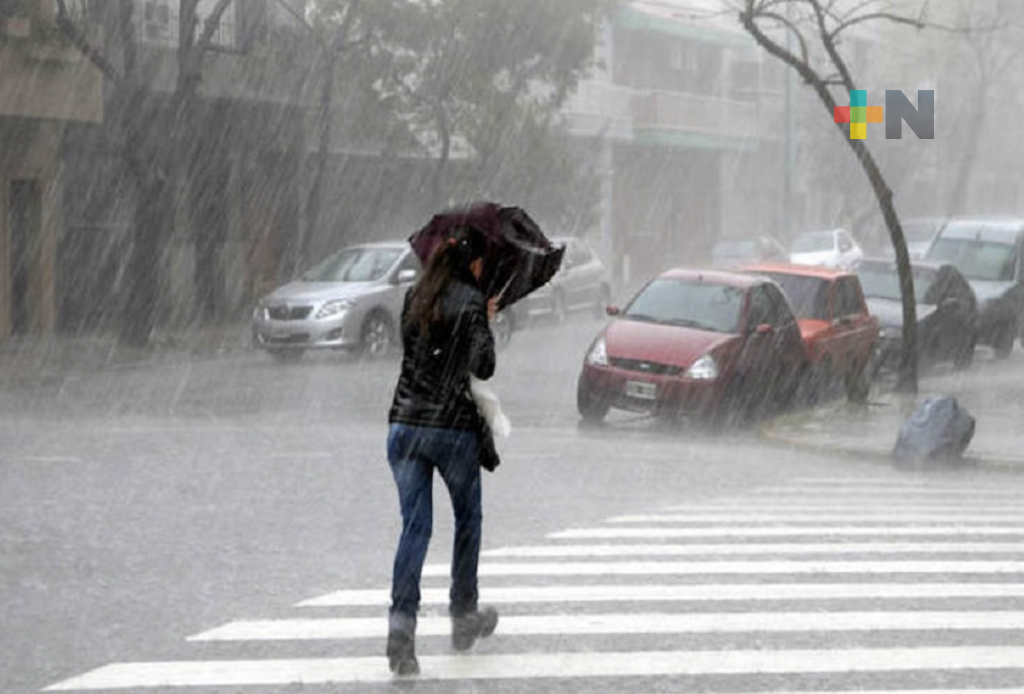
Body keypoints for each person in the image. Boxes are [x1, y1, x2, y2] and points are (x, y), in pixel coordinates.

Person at [385, 224, 500, 676]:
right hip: (451, 429)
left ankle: (401, 631)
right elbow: (483, 366)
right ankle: (463, 616)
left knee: (415, 529)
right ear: (472, 263)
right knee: (467, 520)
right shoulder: (471, 301)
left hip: (404, 426)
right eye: (482, 263)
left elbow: (412, 352)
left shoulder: (416, 296)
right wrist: (485, 323)